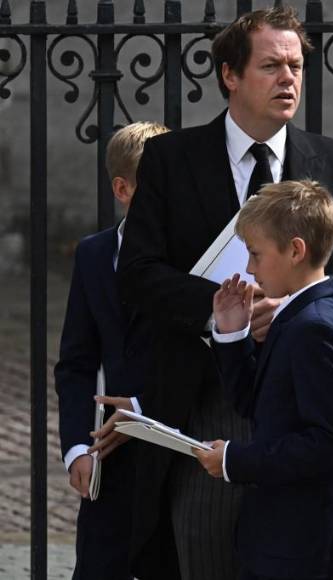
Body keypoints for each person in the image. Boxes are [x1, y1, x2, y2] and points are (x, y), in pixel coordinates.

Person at [109, 7, 333, 579]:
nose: (289, 79)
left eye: (296, 66)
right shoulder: (170, 159)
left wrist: (291, 307)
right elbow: (136, 272)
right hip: (200, 395)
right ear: (230, 75)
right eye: (271, 66)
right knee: (200, 555)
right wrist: (218, 313)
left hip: (296, 401)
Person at [193, 180, 333, 580]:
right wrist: (231, 336)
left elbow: (326, 443)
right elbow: (255, 402)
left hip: (301, 546)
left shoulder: (314, 326)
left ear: (296, 251)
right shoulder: (298, 314)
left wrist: (234, 460)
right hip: (280, 537)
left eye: (255, 254)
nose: (249, 269)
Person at [54, 121, 169, 579]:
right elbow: (76, 362)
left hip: (179, 457)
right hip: (110, 461)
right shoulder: (94, 255)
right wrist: (77, 448)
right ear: (123, 189)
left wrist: (147, 412)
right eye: (158, 187)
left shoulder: (197, 259)